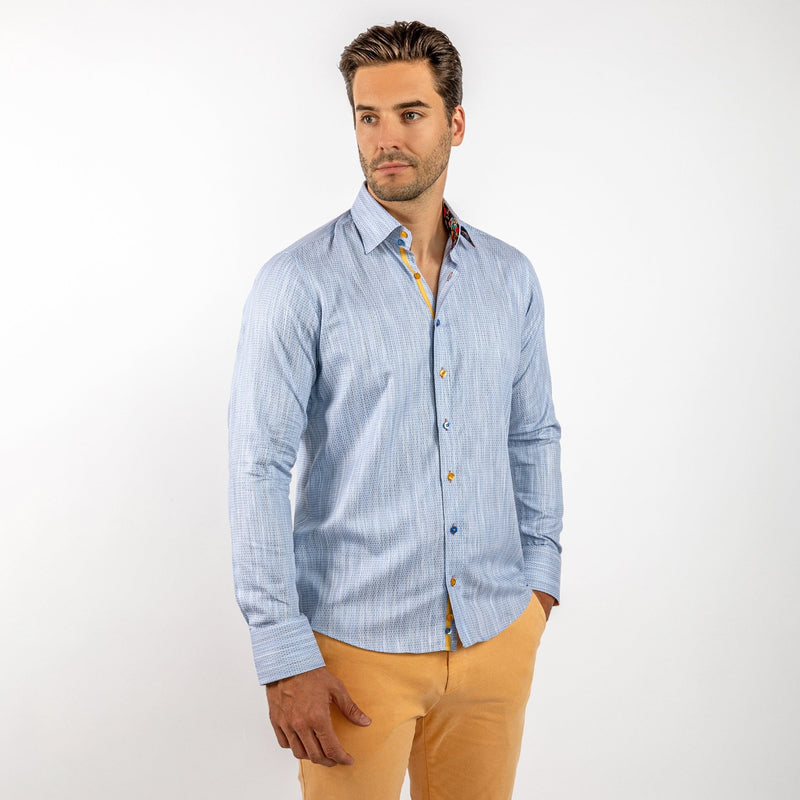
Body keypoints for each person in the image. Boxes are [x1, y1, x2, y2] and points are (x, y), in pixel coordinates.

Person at [229, 20, 563, 800]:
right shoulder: (298, 282)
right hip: (353, 653)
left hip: (495, 636)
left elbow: (532, 433)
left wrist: (537, 588)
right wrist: (283, 655)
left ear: (455, 123)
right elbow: (257, 468)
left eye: (410, 113)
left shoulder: (510, 277)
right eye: (367, 116)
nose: (386, 138)